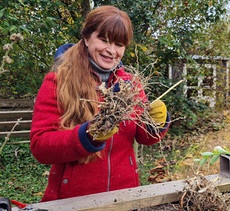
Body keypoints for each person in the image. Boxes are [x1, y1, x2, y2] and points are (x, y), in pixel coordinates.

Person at [30, 5, 170, 202]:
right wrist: (87, 136)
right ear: (87, 38)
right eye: (103, 40)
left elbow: (144, 137)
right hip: (73, 201)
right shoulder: (58, 81)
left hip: (125, 197)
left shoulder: (129, 84)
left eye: (119, 44)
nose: (111, 51)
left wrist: (156, 123)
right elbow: (40, 147)